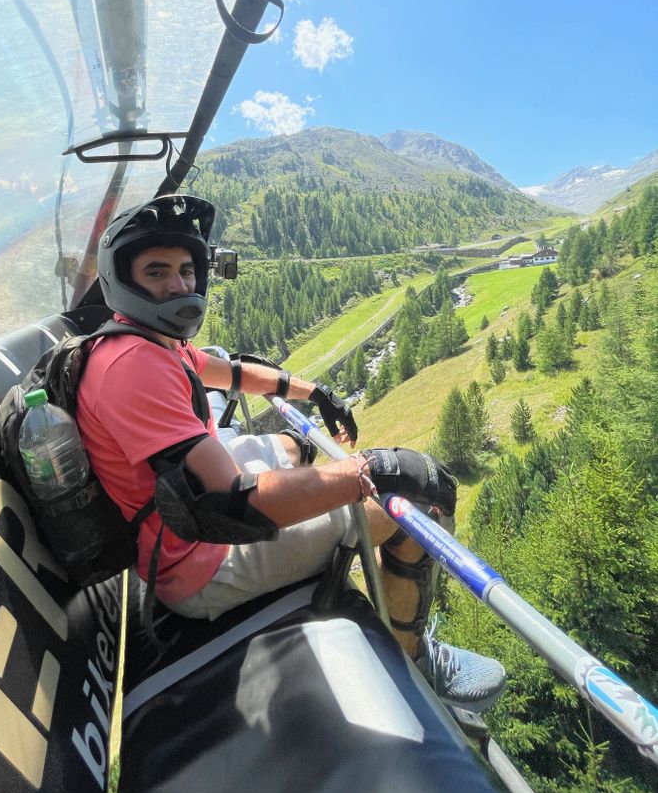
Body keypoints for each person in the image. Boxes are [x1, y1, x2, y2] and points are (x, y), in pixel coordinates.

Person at [77, 194, 505, 712]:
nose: (180, 286)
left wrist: (314, 393)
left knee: (293, 446)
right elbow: (237, 507)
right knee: (417, 501)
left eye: (188, 271)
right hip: (203, 567)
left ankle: (351, 554)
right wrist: (365, 474)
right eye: (158, 272)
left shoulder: (144, 343)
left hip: (179, 534)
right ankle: (414, 656)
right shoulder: (135, 368)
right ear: (124, 279)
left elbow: (230, 372)